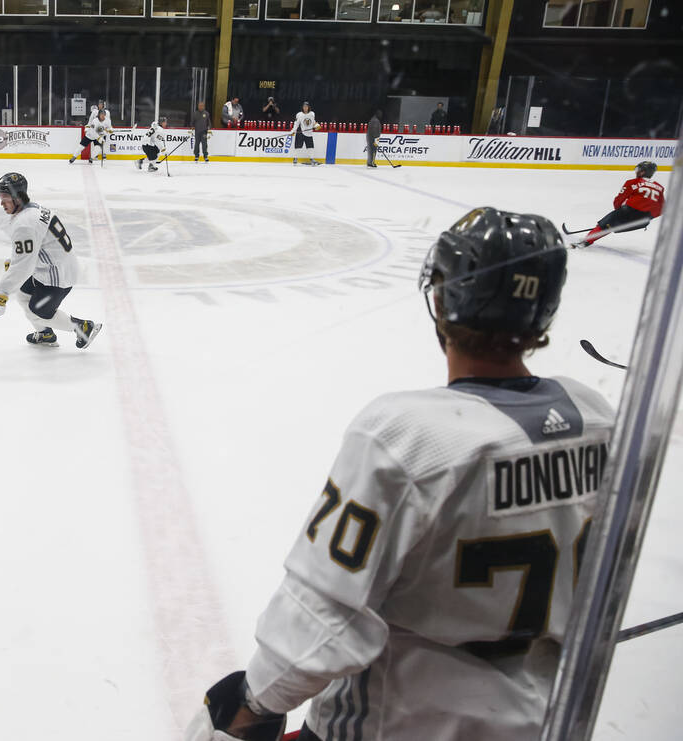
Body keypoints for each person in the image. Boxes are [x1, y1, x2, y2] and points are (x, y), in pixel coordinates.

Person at [185, 207, 615, 741]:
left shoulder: (408, 436)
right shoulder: (597, 417)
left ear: (441, 299)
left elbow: (322, 621)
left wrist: (249, 705)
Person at [0, 173, 102, 349]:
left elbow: (23, 266)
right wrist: (15, 259)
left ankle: (83, 328)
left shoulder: (24, 223)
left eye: (5, 198)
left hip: (57, 275)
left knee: (37, 311)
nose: (1, 203)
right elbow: (32, 247)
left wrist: (0, 295)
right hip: (50, 267)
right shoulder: (33, 209)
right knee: (23, 296)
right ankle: (46, 334)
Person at [573, 161, 664, 248]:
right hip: (644, 219)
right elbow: (662, 208)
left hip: (628, 211)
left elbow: (618, 200)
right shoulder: (659, 187)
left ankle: (586, 241)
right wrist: (648, 217)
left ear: (642, 172)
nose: (637, 172)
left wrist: (618, 212)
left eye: (638, 170)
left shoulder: (632, 183)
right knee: (610, 225)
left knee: (605, 224)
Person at [292, 101, 320, 165]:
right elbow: (296, 124)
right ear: (302, 107)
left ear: (308, 107)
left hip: (309, 133)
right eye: (304, 106)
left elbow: (313, 122)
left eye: (306, 107)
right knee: (298, 146)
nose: (305, 108)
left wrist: (317, 126)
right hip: (301, 132)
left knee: (310, 147)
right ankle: (295, 158)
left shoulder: (312, 114)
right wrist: (293, 131)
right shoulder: (299, 114)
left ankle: (312, 159)